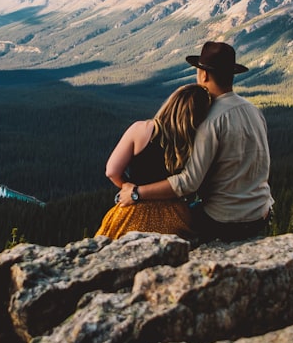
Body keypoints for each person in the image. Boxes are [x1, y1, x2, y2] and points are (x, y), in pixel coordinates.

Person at [117, 41, 274, 242]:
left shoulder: (208, 120)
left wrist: (136, 193)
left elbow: (189, 182)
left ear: (204, 75)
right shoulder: (253, 110)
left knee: (168, 222)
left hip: (223, 220)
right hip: (261, 213)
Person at [96, 83, 212, 240]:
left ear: (171, 103)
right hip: (174, 215)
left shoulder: (140, 129)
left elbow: (111, 170)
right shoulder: (196, 140)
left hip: (134, 211)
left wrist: (128, 187)